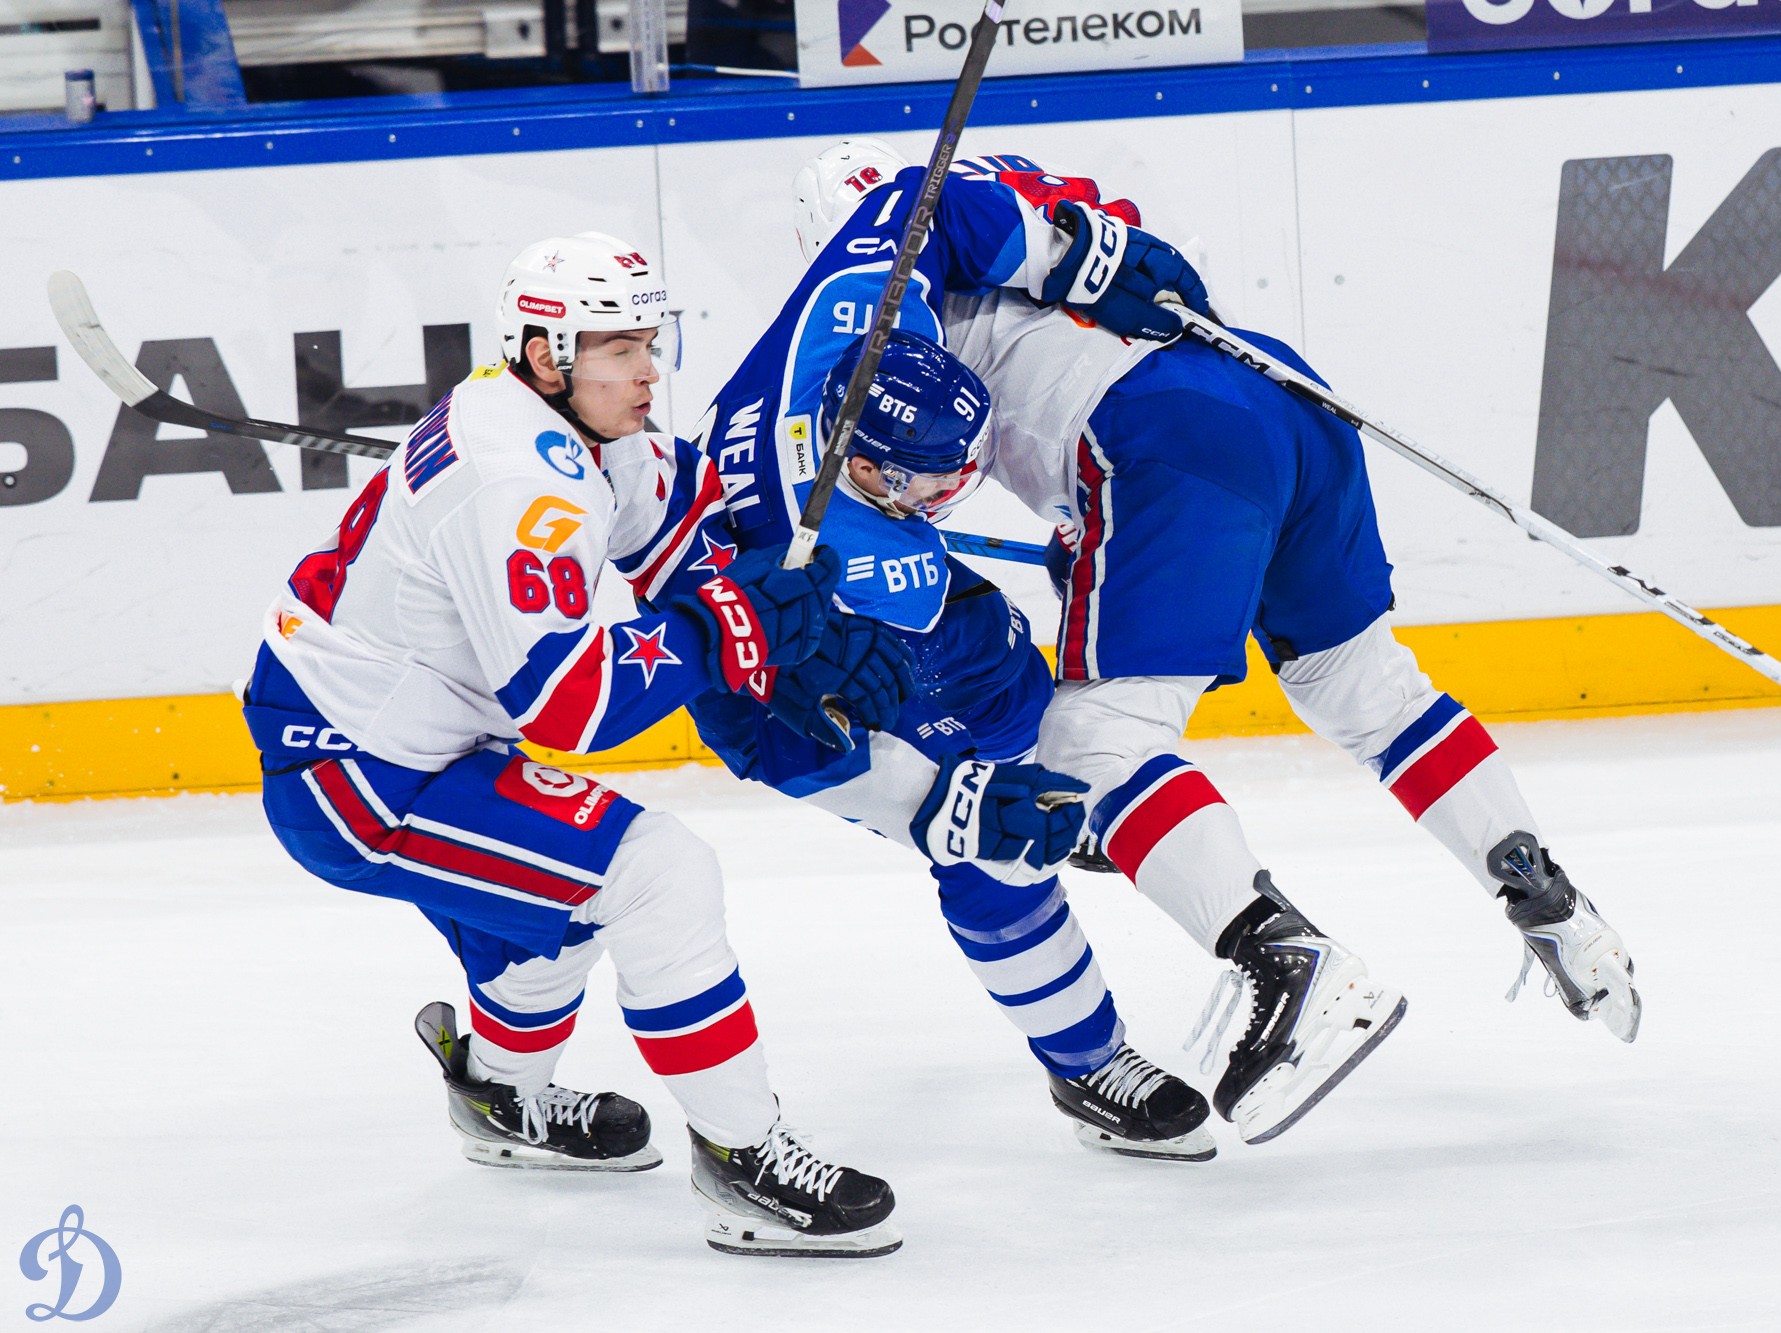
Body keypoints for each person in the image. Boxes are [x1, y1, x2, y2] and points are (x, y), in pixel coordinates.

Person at [795, 142, 1643, 1148]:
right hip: (1274, 390)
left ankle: (1284, 961)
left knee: (1089, 745)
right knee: (1364, 684)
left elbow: (920, 458)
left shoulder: (885, 293)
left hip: (1157, 436)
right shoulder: (1025, 195)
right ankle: (1543, 892)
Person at [240, 231, 914, 1256]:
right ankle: (744, 1159)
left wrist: (781, 630)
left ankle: (498, 1095)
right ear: (544, 355)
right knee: (655, 874)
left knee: (555, 912)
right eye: (619, 349)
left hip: (419, 737)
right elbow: (569, 710)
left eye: (650, 341)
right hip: (355, 770)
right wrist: (726, 628)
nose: (649, 371)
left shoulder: (578, 425)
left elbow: (679, 528)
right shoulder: (519, 482)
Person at [619, 154, 1222, 1161]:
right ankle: (1086, 1060)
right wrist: (943, 802)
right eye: (932, 489)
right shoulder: (822, 564)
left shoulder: (859, 316)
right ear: (863, 466)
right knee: (989, 848)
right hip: (796, 690)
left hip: (915, 615)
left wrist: (1072, 256)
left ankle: (1053, 803)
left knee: (1031, 706)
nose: (948, 500)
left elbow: (920, 198)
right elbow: (755, 703)